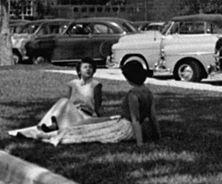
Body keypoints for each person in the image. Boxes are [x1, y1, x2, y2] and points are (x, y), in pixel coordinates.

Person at [22, 60, 161, 147]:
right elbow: (153, 117)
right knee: (91, 124)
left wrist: (140, 143)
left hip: (126, 127)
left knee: (87, 132)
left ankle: (50, 135)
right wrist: (157, 136)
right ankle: (54, 131)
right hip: (129, 124)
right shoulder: (148, 92)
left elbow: (135, 119)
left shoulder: (133, 94)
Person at [9, 59, 102, 139]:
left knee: (64, 101)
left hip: (84, 115)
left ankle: (55, 125)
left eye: (90, 67)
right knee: (63, 101)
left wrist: (96, 116)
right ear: (79, 71)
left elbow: (98, 103)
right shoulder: (73, 84)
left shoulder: (95, 84)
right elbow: (69, 101)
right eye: (85, 67)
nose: (88, 69)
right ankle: (54, 123)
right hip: (71, 114)